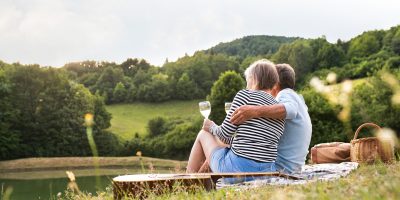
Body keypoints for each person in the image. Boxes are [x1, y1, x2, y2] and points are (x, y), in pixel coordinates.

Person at [186, 59, 285, 179]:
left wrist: (211, 126)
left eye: (247, 80)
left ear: (254, 79)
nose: (247, 84)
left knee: (203, 134)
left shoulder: (245, 95)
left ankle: (186, 182)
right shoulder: (278, 107)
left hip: (237, 171)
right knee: (223, 150)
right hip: (266, 173)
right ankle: (201, 185)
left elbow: (224, 135)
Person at [230, 64, 312, 173]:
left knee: (218, 145)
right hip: (291, 167)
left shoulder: (284, 94)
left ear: (276, 84)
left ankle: (201, 182)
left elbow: (290, 110)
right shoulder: (296, 98)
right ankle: (201, 181)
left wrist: (254, 111)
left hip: (280, 168)